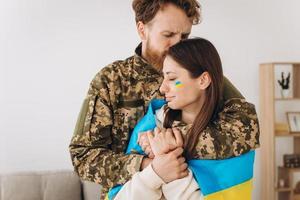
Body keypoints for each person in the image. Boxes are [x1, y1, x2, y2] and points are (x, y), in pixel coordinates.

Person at [69, 1, 259, 199]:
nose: (177, 44)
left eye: (184, 36)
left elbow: (248, 129)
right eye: (168, 35)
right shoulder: (111, 80)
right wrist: (150, 166)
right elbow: (82, 157)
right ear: (142, 30)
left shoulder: (200, 75)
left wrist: (169, 140)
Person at [112, 38, 259, 200]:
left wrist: (167, 159)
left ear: (203, 80)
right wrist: (155, 173)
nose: (162, 88)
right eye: (163, 77)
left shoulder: (236, 138)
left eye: (172, 78)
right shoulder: (149, 128)